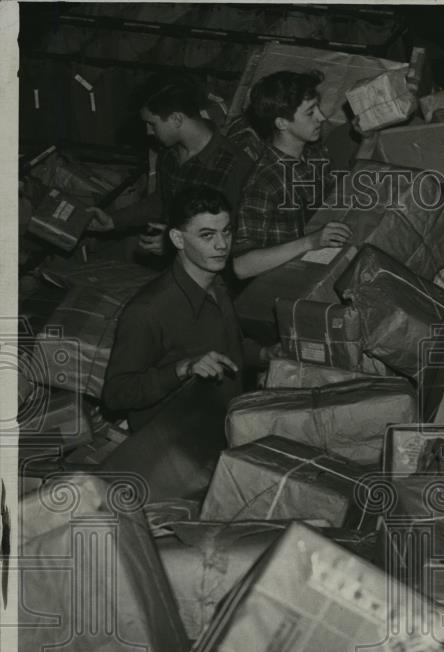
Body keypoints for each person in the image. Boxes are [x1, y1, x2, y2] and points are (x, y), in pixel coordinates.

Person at [103, 186, 264, 430]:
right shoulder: (148, 310)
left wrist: (264, 355)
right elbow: (116, 394)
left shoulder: (218, 282)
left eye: (227, 232)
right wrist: (181, 369)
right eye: (207, 235)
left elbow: (227, 347)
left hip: (222, 418)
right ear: (178, 239)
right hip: (174, 439)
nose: (222, 245)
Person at [87, 73, 254, 256]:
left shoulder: (235, 166)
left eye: (152, 123)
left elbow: (240, 239)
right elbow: (163, 201)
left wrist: (178, 244)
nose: (149, 132)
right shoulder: (169, 152)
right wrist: (113, 220)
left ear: (176, 119)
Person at [232, 70, 351, 281]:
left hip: (320, 267)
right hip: (285, 283)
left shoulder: (313, 151)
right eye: (310, 112)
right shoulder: (264, 182)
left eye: (318, 107)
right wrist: (310, 241)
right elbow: (241, 266)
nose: (321, 117)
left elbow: (338, 198)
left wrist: (367, 141)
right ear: (281, 123)